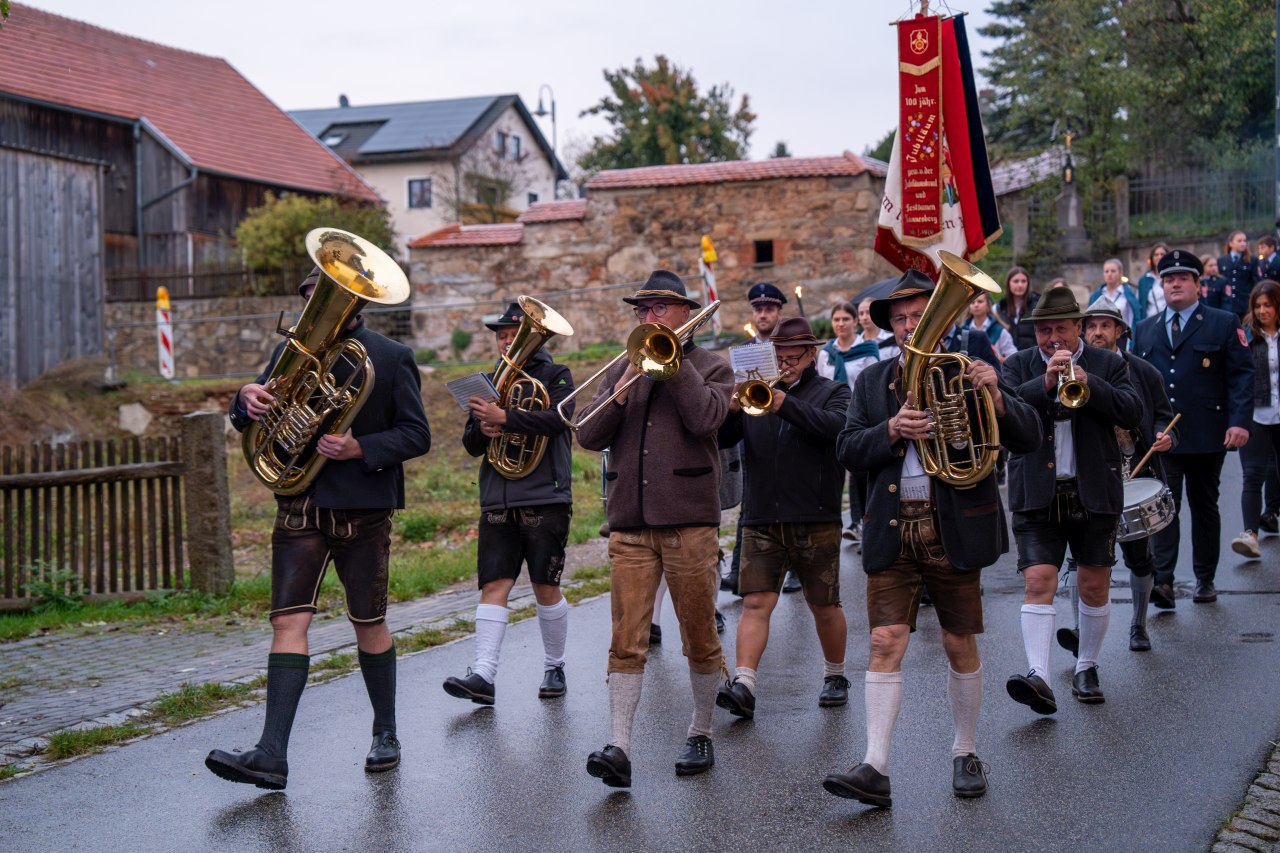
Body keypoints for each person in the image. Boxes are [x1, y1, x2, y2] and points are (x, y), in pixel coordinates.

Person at [206, 267, 432, 790]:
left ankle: (385, 732)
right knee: (288, 622)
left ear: (358, 304)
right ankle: (271, 754)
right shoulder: (291, 352)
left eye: (327, 297)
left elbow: (417, 435)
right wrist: (244, 399)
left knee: (368, 621)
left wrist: (359, 448)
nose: (317, 306)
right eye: (311, 296)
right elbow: (253, 416)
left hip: (362, 509)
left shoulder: (391, 357)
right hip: (299, 505)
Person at [822, 269, 1041, 808]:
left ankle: (965, 751)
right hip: (893, 527)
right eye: (900, 319)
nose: (908, 326)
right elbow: (847, 449)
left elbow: (1029, 436)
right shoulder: (872, 382)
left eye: (919, 317)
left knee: (957, 641)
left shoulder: (967, 371)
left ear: (940, 322)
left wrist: (997, 397)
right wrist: (890, 430)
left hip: (953, 527)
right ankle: (876, 766)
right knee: (883, 640)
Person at [576, 269, 733, 788]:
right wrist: (620, 393)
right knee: (626, 639)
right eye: (642, 310)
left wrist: (673, 364)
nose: (648, 317)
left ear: (686, 313)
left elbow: (707, 420)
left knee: (698, 634)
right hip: (630, 522)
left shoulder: (712, 366)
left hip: (688, 521)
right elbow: (587, 435)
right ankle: (619, 746)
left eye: (658, 308)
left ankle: (701, 730)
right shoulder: (623, 366)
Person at [1002, 288, 1141, 710]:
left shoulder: (1108, 363)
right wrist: (1045, 384)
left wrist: (1089, 383)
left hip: (1093, 489)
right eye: (1044, 331)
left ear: (1079, 327)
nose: (1052, 339)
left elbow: (1132, 411)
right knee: (1037, 581)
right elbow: (1003, 413)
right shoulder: (1017, 365)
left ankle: (1086, 665)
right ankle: (1039, 676)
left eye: (1061, 328)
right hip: (1037, 492)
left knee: (1093, 585)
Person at [716, 317, 852, 720]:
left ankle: (835, 674)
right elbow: (722, 439)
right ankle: (744, 684)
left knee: (823, 604)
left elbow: (836, 428)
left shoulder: (834, 392)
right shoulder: (755, 392)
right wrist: (729, 410)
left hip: (815, 513)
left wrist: (783, 404)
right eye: (780, 357)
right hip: (760, 514)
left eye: (794, 358)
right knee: (755, 601)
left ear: (811, 355)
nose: (787, 364)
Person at [442, 302, 575, 706]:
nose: (505, 342)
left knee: (545, 585)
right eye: (501, 336)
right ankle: (484, 675)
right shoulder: (488, 383)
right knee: (494, 584)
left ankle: (554, 665)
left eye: (513, 335)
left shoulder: (557, 375)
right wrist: (483, 428)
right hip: (497, 498)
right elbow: (470, 446)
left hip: (545, 496)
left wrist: (506, 416)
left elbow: (560, 421)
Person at [1133, 250, 1254, 606]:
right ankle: (1164, 582)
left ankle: (1205, 579)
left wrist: (1239, 422)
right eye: (1168, 279)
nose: (1175, 284)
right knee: (1162, 509)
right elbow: (1136, 383)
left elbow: (1241, 376)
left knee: (1204, 507)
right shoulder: (1145, 328)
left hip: (1206, 432)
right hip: (1161, 436)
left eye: (1183, 278)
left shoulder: (1223, 322)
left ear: (1198, 284)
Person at [1058, 303, 1176, 653]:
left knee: (1138, 555)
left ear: (1119, 331)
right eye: (1092, 326)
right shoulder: (1072, 369)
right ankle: (1079, 629)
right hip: (1088, 474)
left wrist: (1166, 436)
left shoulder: (1144, 371)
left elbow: (1163, 415)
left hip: (1131, 472)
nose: (1098, 332)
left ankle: (1139, 625)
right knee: (1080, 556)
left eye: (1105, 326)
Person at [734, 282, 803, 593]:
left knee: (793, 497)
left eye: (769, 309)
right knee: (751, 501)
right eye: (758, 309)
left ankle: (796, 568)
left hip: (787, 427)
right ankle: (738, 570)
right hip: (753, 432)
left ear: (779, 312)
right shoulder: (744, 351)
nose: (763, 314)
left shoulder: (790, 347)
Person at [817, 300, 882, 544]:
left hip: (859, 417)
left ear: (855, 321)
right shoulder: (826, 353)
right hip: (833, 416)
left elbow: (872, 385)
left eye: (846, 319)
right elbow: (821, 384)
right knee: (832, 472)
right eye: (837, 319)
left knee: (859, 472)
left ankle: (862, 521)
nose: (841, 324)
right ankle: (836, 522)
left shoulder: (868, 349)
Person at [1231, 280, 1280, 559]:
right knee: (1252, 475)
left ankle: (1272, 511)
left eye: (1268, 305)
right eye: (1258, 306)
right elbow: (1238, 376)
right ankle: (1250, 535)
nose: (1262, 311)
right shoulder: (1246, 337)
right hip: (1256, 415)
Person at [995, 266, 1040, 352]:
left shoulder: (1038, 305)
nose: (1020, 285)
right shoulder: (1001, 307)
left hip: (1032, 355)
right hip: (1008, 357)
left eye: (1023, 281)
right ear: (1008, 283)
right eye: (1016, 281)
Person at [1088, 258, 1140, 331]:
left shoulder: (1128, 294)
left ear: (1120, 273)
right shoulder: (1096, 296)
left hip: (1123, 334)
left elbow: (1136, 317)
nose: (1109, 274)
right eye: (1106, 271)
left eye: (1113, 271)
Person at [963, 291, 1016, 361]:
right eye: (972, 302)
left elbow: (1014, 357)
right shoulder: (963, 330)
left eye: (980, 301)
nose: (976, 305)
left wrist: (999, 360)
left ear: (988, 304)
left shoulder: (999, 330)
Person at [1218, 230, 1255, 319]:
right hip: (1227, 304)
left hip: (1245, 304)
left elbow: (1255, 281)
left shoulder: (1252, 260)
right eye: (1239, 241)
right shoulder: (1221, 260)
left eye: (1244, 241)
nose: (1243, 243)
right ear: (1231, 243)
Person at [1137, 243, 1169, 319]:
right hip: (1151, 320)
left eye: (1162, 254)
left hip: (1169, 319)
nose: (1159, 257)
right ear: (1152, 258)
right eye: (1156, 254)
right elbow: (1140, 305)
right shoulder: (1144, 280)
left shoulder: (1172, 276)